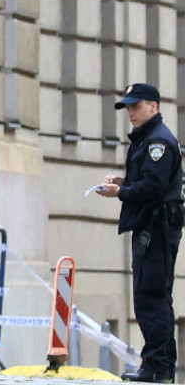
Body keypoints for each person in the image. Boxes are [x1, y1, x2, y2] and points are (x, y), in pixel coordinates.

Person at [96, 83, 183, 383]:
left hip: (157, 228)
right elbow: (145, 181)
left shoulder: (158, 142)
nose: (130, 112)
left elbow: (153, 188)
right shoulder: (146, 140)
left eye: (136, 106)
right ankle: (160, 367)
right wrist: (124, 181)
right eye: (128, 107)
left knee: (151, 298)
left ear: (154, 107)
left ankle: (157, 368)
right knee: (153, 296)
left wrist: (120, 192)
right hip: (151, 227)